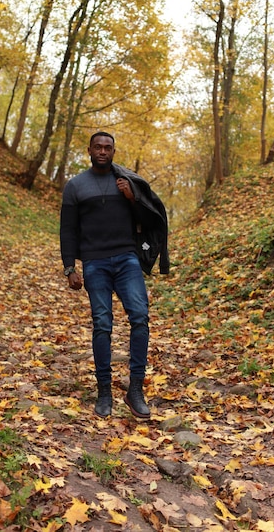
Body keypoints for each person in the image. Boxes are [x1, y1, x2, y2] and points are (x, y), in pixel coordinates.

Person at [60, 131, 169, 419]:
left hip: (126, 260)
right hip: (94, 263)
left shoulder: (127, 182)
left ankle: (135, 391)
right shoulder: (75, 186)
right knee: (102, 324)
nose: (103, 151)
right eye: (98, 146)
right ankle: (104, 391)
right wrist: (70, 267)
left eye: (108, 147)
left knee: (140, 317)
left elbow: (150, 220)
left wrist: (133, 199)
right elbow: (68, 229)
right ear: (89, 150)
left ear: (113, 151)